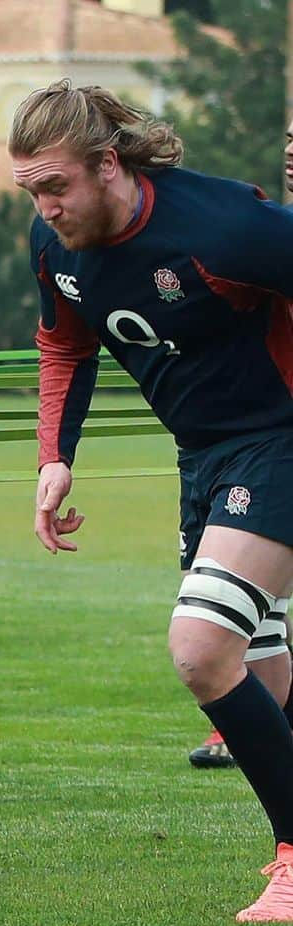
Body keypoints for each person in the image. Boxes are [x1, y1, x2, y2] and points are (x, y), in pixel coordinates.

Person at [11, 78, 293, 921]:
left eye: (57, 185)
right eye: (31, 189)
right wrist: (55, 458)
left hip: (279, 443)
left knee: (201, 649)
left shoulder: (223, 228)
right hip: (202, 459)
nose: (46, 206)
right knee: (269, 680)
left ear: (108, 165)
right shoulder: (52, 247)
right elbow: (64, 344)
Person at [186, 115, 293, 770]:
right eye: (286, 137)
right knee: (252, 614)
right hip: (259, 440)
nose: (290, 151)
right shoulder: (268, 231)